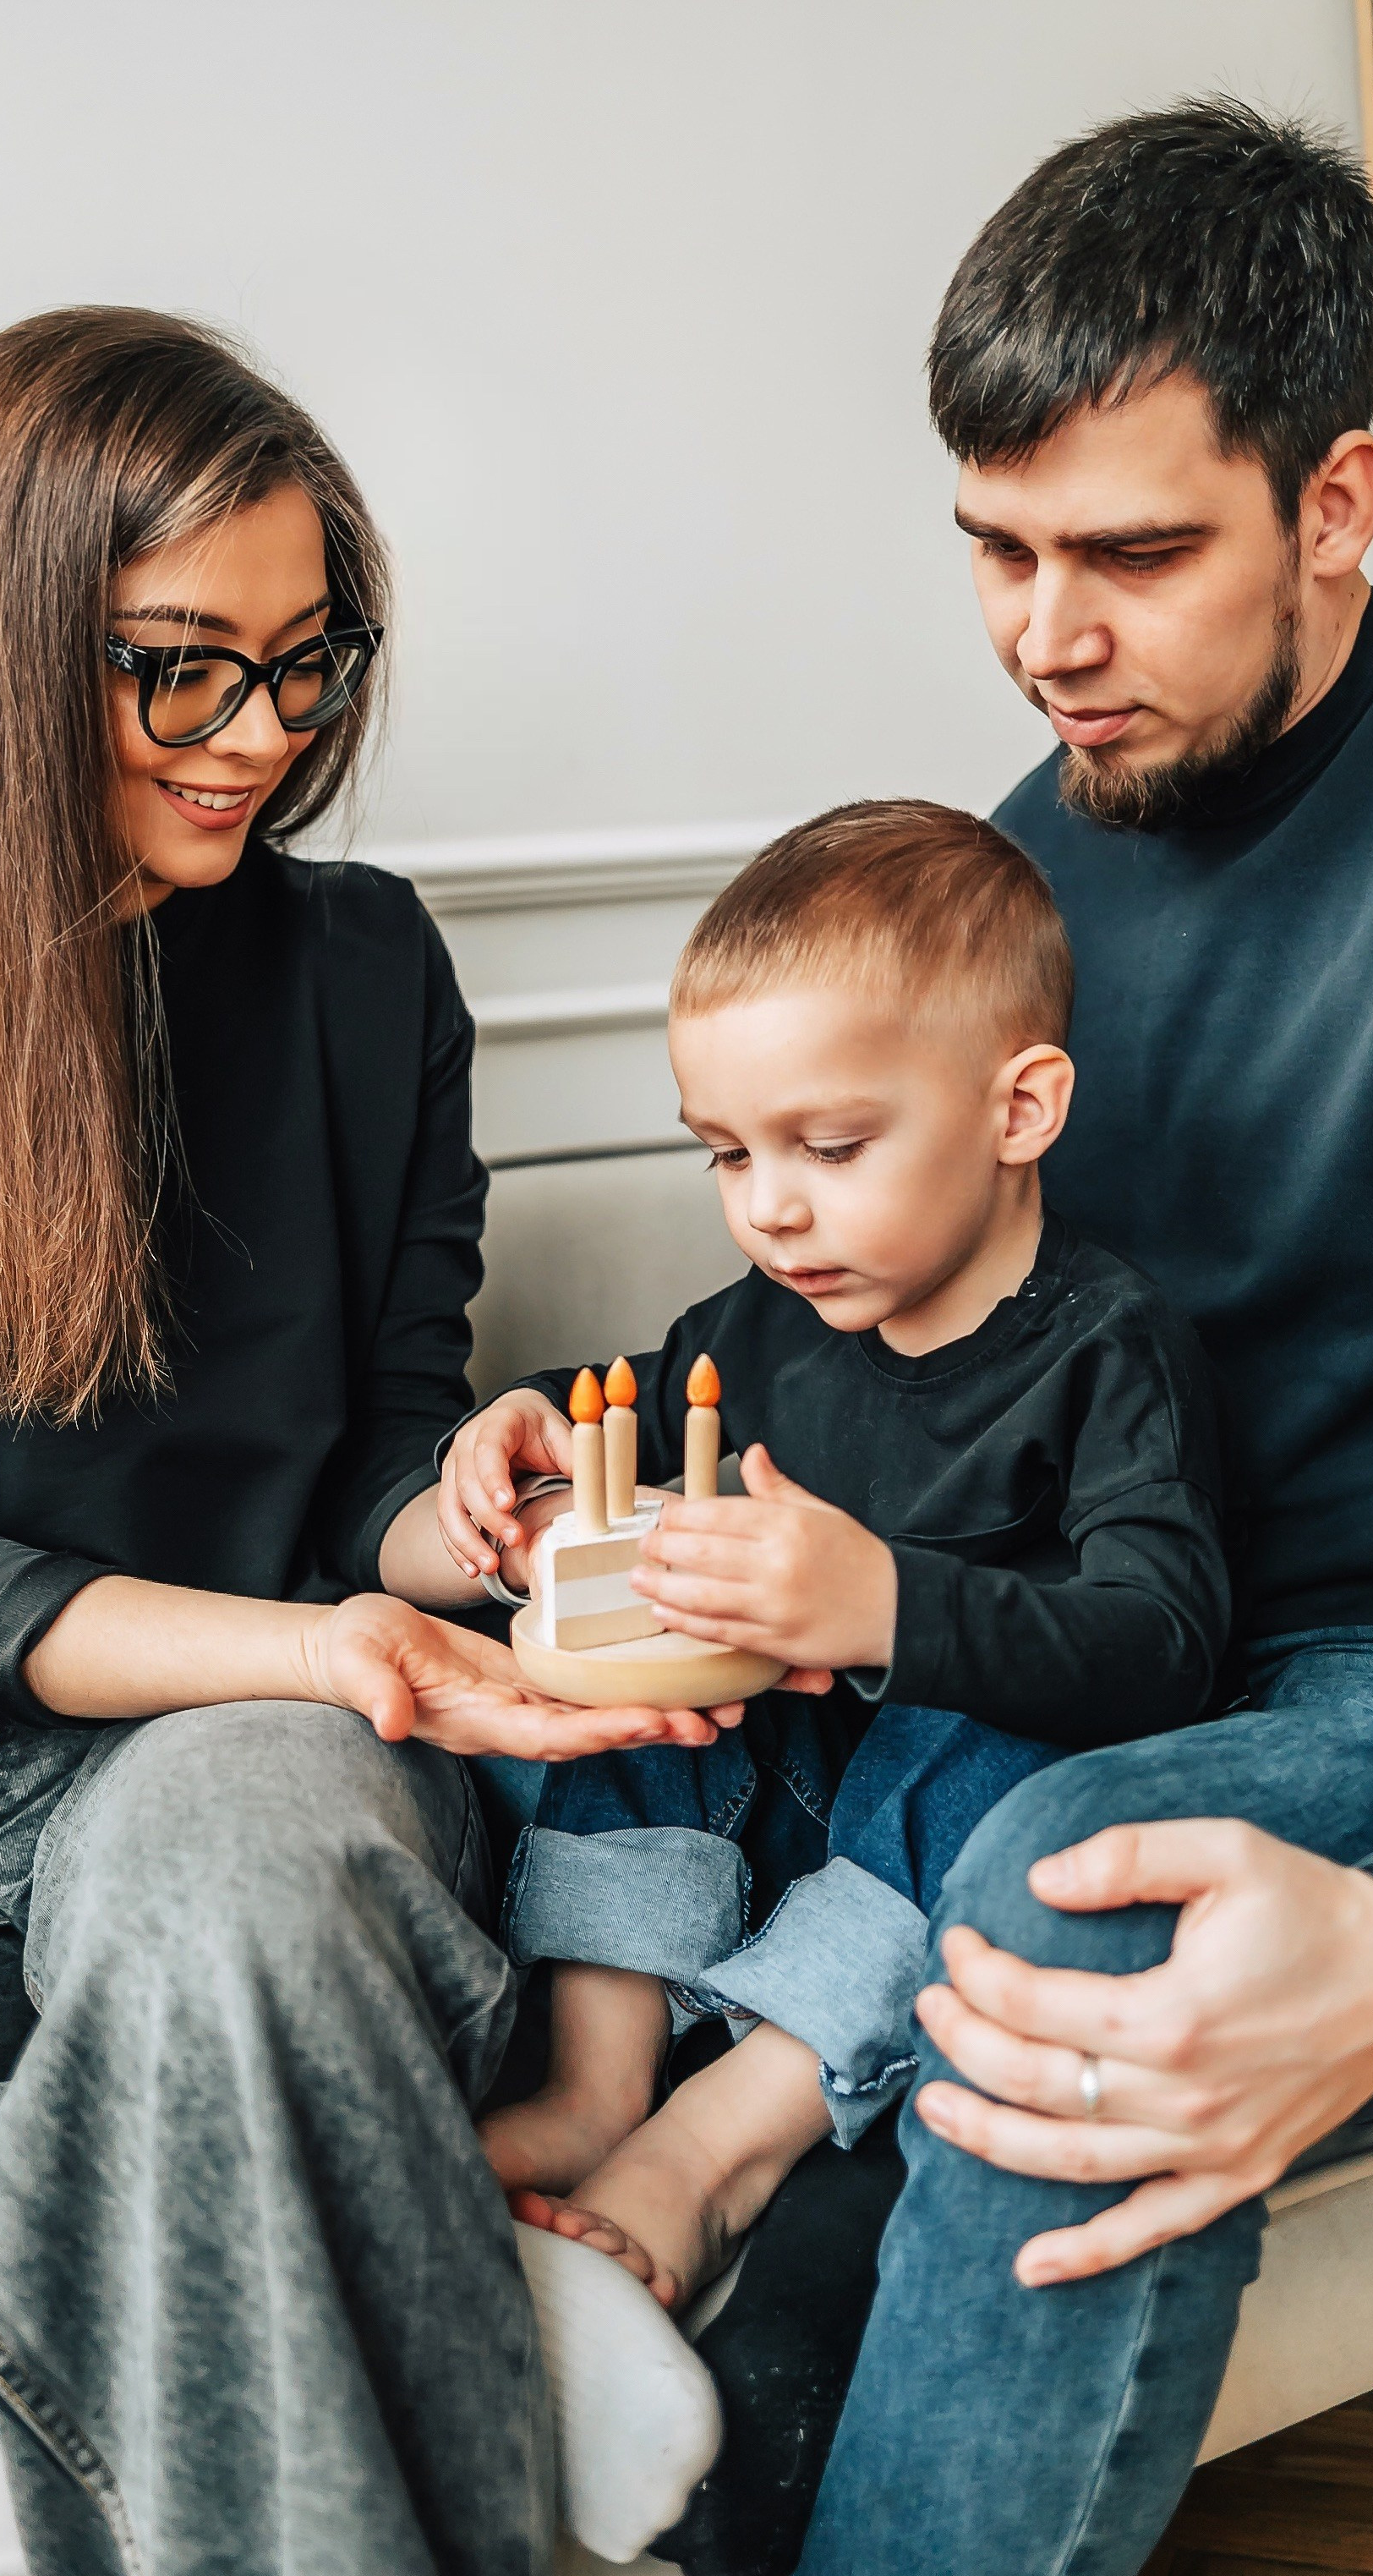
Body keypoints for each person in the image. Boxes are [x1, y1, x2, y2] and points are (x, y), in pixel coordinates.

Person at [0, 305, 727, 2576]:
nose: (263, 737)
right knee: (248, 2081)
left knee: (244, 1921)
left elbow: (375, 1438)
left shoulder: (371, 975)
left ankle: (262, 2112)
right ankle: (320, 2172)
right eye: (184, 667)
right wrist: (334, 1630)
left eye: (307, 663)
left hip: (247, 1760)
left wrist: (452, 1509)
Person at [770, 101, 1373, 2576]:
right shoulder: (1020, 858)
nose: (1048, 633)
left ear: (1337, 500)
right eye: (1002, 552)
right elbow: (962, 1345)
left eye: (1135, 554)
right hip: (1152, 1633)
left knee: (1070, 1897)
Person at [434, 801, 1228, 2314]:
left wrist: (884, 1607)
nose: (771, 1207)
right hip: (757, 1804)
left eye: (832, 1146)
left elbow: (1166, 1643)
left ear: (1022, 1109)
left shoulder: (1108, 1350)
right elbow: (621, 1425)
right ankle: (599, 2083)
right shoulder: (761, 1321)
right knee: (637, 1641)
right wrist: (514, 1450)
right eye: (728, 1154)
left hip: (913, 1857)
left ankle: (720, 2145)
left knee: (982, 1745)